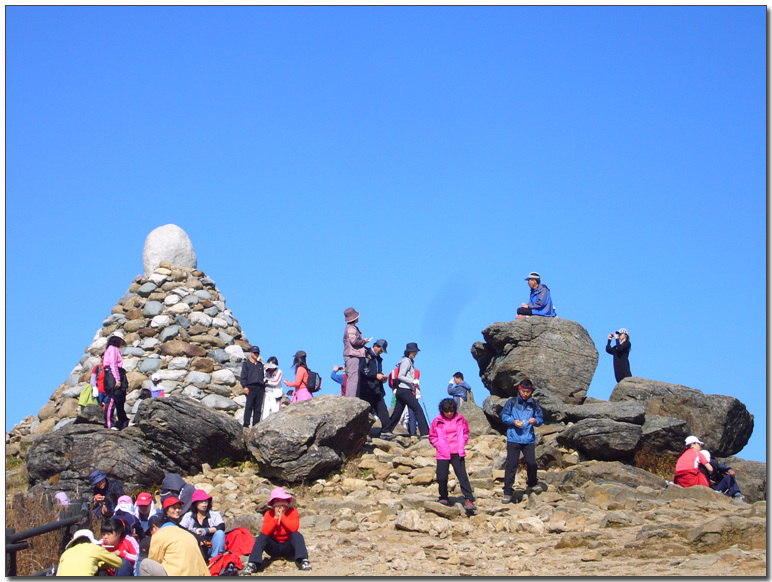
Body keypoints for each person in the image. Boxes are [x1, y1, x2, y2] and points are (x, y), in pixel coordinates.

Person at [241, 487, 311, 573]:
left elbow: (294, 528)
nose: (280, 506)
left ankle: (303, 560)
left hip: (289, 547)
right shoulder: (268, 514)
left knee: (297, 535)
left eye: (282, 502)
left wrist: (283, 517)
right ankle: (252, 564)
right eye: (277, 502)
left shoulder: (293, 512)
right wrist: (275, 518)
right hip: (273, 547)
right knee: (261, 537)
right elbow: (265, 531)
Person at [429, 398, 477, 510]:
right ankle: (444, 497)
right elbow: (432, 436)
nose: (449, 413)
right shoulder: (437, 421)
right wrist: (438, 445)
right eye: (447, 411)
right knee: (441, 477)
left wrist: (463, 442)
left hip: (457, 452)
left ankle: (469, 499)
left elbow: (466, 432)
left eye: (451, 411)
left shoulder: (460, 419)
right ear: (442, 410)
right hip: (443, 452)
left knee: (462, 476)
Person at [501, 379, 544, 503]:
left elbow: (540, 418)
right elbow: (504, 416)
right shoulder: (511, 402)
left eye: (528, 391)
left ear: (531, 391)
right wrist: (513, 422)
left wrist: (535, 421)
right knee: (511, 465)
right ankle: (508, 491)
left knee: (532, 463)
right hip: (514, 437)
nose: (525, 394)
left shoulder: (534, 404)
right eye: (523, 391)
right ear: (519, 390)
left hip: (528, 438)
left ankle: (532, 483)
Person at [380, 343, 430, 438]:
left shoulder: (408, 361)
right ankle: (425, 433)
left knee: (397, 412)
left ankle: (387, 430)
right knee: (418, 410)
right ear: (411, 352)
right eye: (415, 351)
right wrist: (413, 381)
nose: (416, 353)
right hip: (404, 390)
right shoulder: (407, 361)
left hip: (402, 390)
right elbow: (400, 376)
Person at [138, 513, 211, 576]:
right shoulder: (188, 534)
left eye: (150, 532)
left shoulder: (158, 535)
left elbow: (154, 560)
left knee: (145, 564)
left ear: (154, 527)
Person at [179, 489, 226, 561]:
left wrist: (206, 531)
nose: (204, 503)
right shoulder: (188, 516)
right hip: (195, 547)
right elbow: (180, 529)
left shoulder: (214, 515)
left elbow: (221, 526)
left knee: (220, 533)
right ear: (195, 503)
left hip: (210, 546)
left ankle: (214, 560)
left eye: (206, 501)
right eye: (201, 501)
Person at [56, 529, 123, 576]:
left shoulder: (65, 554)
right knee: (102, 572)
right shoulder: (94, 548)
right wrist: (99, 564)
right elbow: (118, 562)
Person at [359, 339, 391, 430]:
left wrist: (382, 378)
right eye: (380, 350)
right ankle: (363, 433)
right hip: (366, 388)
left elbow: (377, 371)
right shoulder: (365, 353)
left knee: (383, 409)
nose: (381, 352)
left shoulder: (378, 359)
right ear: (376, 346)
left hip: (378, 388)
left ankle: (387, 430)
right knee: (366, 411)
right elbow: (362, 370)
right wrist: (375, 375)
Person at [103, 332, 130, 430]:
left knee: (118, 399)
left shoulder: (109, 349)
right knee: (113, 398)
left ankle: (121, 422)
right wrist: (117, 379)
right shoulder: (113, 349)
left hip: (113, 373)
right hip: (114, 374)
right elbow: (113, 364)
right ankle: (109, 424)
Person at [343, 307, 371, 398]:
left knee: (354, 377)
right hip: (352, 355)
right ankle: (351, 398)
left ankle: (353, 397)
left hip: (352, 354)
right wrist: (364, 341)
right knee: (353, 378)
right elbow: (353, 341)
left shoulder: (351, 328)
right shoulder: (351, 328)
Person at [240, 346, 266, 430]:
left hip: (260, 387)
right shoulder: (246, 364)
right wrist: (245, 386)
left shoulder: (260, 365)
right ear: (251, 353)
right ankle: (246, 424)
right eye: (254, 353)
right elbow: (243, 376)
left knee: (258, 407)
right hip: (251, 387)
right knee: (249, 406)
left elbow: (262, 376)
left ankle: (256, 425)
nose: (256, 354)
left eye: (257, 353)